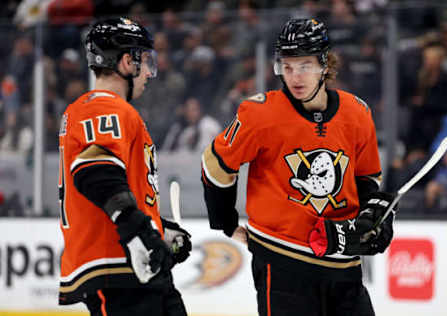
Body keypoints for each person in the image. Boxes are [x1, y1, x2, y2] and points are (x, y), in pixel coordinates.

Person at [201, 18, 397, 316]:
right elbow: (215, 163)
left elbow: (365, 177)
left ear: (325, 65)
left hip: (343, 264)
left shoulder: (357, 113)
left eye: (304, 65)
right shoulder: (260, 113)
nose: (295, 76)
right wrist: (226, 221)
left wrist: (374, 217)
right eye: (287, 66)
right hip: (282, 262)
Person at [58, 17, 191, 316]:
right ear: (127, 62)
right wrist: (137, 230)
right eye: (144, 61)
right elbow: (95, 171)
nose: (148, 72)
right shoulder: (103, 105)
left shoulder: (112, 110)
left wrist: (158, 229)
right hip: (116, 266)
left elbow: (120, 186)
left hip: (134, 265)